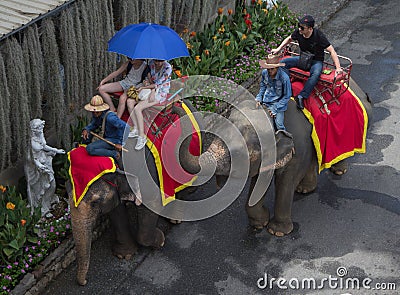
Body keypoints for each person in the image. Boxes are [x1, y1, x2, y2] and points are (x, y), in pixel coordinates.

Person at [271, 15, 343, 109]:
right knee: (283, 63)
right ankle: (286, 87)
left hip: (315, 61)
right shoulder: (298, 32)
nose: (299, 29)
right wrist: (278, 49)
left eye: (302, 28)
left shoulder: (318, 36)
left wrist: (338, 67)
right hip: (303, 59)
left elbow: (332, 51)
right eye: (299, 26)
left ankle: (302, 96)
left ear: (310, 28)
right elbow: (289, 39)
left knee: (316, 74)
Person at [127, 59, 172, 150]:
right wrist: (146, 82)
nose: (158, 63)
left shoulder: (168, 67)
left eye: (160, 61)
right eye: (156, 61)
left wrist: (151, 89)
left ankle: (142, 136)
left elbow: (158, 84)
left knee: (138, 108)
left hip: (161, 91)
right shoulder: (151, 63)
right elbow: (150, 80)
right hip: (150, 88)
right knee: (129, 102)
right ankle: (136, 127)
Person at [81, 95, 129, 160]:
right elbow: (94, 123)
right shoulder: (97, 115)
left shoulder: (110, 118)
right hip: (105, 136)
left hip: (113, 140)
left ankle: (114, 154)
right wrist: (86, 129)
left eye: (97, 112)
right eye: (93, 111)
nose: (95, 113)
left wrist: (120, 143)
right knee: (86, 137)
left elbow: (126, 127)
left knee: (90, 149)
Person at [255, 54, 292, 131]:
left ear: (277, 68)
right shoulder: (265, 73)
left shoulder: (284, 78)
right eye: (268, 69)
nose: (270, 71)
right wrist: (259, 98)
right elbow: (263, 86)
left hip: (277, 104)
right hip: (266, 100)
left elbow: (287, 96)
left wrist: (274, 109)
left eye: (272, 69)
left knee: (279, 125)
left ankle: (284, 139)